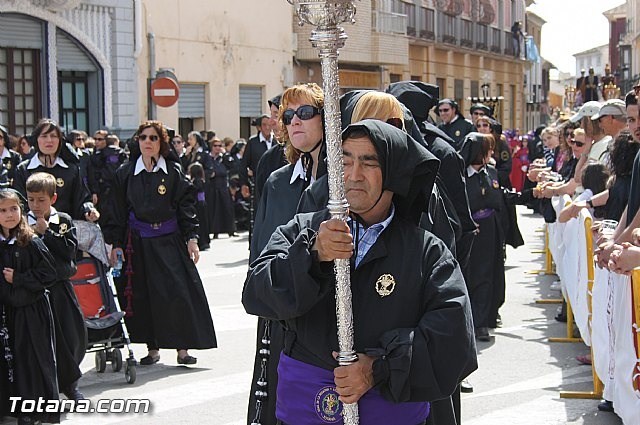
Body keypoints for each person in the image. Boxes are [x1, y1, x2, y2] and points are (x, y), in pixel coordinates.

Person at [243, 120, 477, 425]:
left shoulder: (426, 252)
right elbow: (257, 293)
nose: (353, 175)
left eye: (369, 163)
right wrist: (312, 256)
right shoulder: (302, 231)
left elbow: (453, 339)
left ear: (393, 172)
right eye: (345, 160)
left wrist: (378, 368)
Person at [102, 120, 217, 366]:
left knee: (177, 294)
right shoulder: (125, 173)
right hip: (138, 244)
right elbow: (116, 211)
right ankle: (152, 349)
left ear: (161, 143)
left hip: (169, 241)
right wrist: (116, 243)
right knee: (144, 296)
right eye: (143, 137)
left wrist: (192, 239)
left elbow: (187, 207)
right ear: (137, 141)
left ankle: (182, 349)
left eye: (153, 138)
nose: (147, 142)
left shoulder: (173, 173)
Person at [246, 83, 327, 425]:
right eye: (288, 115)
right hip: (280, 313)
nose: (295, 121)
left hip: (323, 318)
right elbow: (260, 249)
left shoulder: (341, 181)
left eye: (306, 113)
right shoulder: (277, 180)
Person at [26, 172, 87, 402]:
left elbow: (67, 253)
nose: (36, 205)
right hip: (35, 291)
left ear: (52, 198)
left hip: (60, 287)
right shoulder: (24, 222)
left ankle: (70, 385)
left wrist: (46, 233)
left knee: (70, 336)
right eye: (31, 200)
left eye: (41, 200)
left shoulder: (62, 221)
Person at [0, 188, 59, 425]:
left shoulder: (31, 241)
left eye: (13, 208)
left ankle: (34, 412)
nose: (9, 214)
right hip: (7, 313)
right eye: (2, 210)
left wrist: (20, 279)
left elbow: (50, 274)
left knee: (32, 361)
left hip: (31, 311)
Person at [459, 132, 508, 341]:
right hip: (469, 231)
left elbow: (500, 196)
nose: (491, 152)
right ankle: (467, 320)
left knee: (487, 275)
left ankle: (482, 321)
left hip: (489, 229)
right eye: (488, 149)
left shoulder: (491, 172)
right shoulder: (460, 174)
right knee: (470, 275)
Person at [13, 119, 100, 222]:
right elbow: (19, 204)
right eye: (44, 136)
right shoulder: (23, 170)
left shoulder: (71, 169)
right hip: (33, 229)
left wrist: (88, 210)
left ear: (60, 140)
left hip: (65, 229)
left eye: (53, 136)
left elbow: (82, 199)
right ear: (36, 139)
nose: (49, 140)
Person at [87, 133, 128, 226]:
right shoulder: (122, 154)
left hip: (103, 188)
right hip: (119, 189)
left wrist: (94, 191)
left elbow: (93, 174)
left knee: (104, 217)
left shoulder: (98, 155)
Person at [208, 138, 236, 239]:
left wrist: (225, 154)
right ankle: (215, 231)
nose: (218, 148)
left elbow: (232, 166)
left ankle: (231, 230)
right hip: (213, 187)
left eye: (220, 146)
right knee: (216, 211)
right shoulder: (208, 158)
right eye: (215, 146)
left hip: (224, 186)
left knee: (227, 209)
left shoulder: (224, 158)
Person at [187, 162, 211, 250]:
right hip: (202, 203)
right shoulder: (201, 180)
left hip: (198, 204)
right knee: (203, 223)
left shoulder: (196, 181)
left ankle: (202, 242)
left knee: (200, 223)